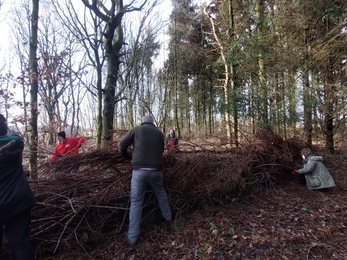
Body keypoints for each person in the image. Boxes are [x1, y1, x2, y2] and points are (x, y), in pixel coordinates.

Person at [118, 115, 172, 246]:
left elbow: (121, 144)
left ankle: (132, 238)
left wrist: (126, 156)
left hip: (139, 172)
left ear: (143, 122)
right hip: (156, 171)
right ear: (152, 123)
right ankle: (169, 219)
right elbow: (161, 151)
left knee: (136, 202)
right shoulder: (159, 134)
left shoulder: (136, 130)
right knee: (161, 193)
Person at [0, 114, 37, 260]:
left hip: (17, 203)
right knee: (20, 244)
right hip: (18, 203)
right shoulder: (15, 144)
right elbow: (12, 134)